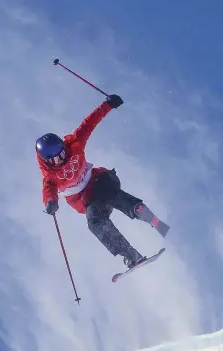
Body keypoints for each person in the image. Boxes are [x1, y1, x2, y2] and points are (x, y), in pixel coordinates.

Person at [35, 94, 169, 269]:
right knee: (94, 222)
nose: (61, 159)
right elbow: (48, 192)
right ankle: (131, 255)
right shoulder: (50, 177)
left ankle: (139, 210)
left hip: (102, 180)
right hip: (89, 201)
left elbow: (89, 123)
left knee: (106, 192)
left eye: (62, 153)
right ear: (46, 161)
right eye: (55, 159)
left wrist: (107, 105)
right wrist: (51, 203)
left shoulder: (75, 144)